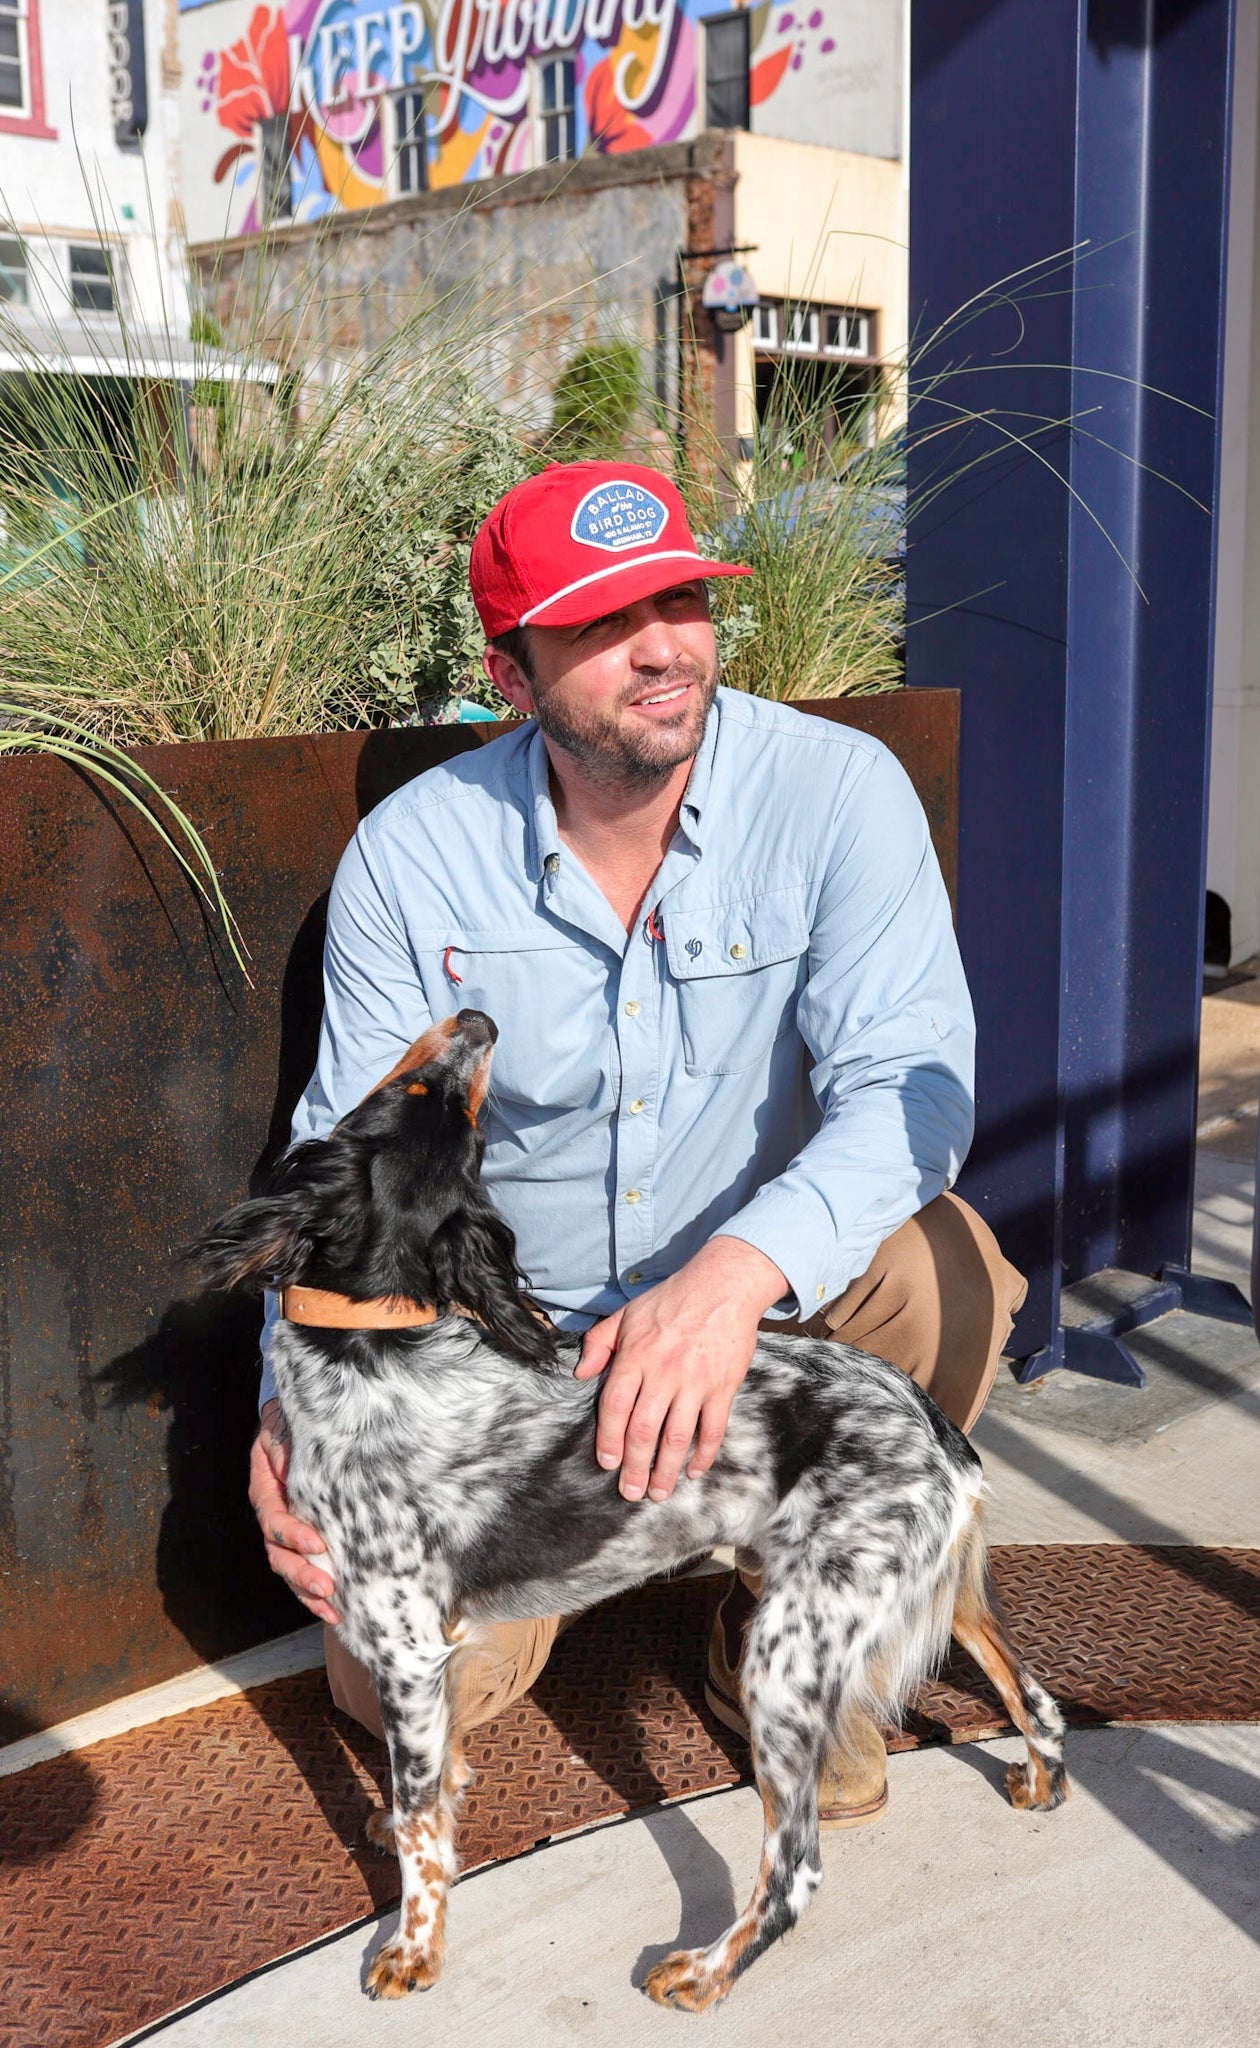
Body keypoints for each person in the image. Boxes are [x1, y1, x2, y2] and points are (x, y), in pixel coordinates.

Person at [250, 459, 1026, 1825]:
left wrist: (731, 1280)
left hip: (769, 1309)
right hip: (508, 1351)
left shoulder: (838, 795)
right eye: (605, 621)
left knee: (944, 1267)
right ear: (511, 669)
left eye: (679, 598)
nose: (663, 645)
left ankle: (782, 1623)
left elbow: (917, 1087)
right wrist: (290, 1407)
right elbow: (350, 1175)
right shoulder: (413, 857)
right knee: (388, 1677)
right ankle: (591, 1558)